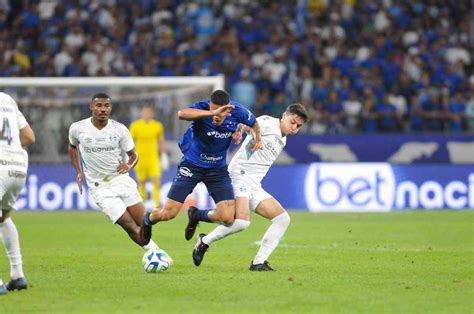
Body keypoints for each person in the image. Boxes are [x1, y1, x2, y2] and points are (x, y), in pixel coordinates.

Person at [192, 103, 308, 271]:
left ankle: (258, 262)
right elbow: (246, 122)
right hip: (239, 175)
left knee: (282, 219)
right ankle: (204, 241)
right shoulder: (268, 123)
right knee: (242, 222)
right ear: (284, 115)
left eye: (298, 126)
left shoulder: (283, 138)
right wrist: (239, 130)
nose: (294, 127)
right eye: (292, 122)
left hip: (253, 184)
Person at [140, 89, 262, 245]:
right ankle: (149, 219)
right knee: (168, 213)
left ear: (228, 108)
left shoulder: (237, 111)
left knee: (227, 218)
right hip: (191, 166)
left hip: (217, 170)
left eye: (220, 111)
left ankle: (196, 215)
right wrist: (212, 113)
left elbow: (254, 123)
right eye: (213, 109)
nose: (217, 115)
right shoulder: (202, 108)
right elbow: (182, 114)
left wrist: (257, 138)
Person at [68, 93, 164, 255]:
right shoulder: (78, 128)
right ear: (91, 107)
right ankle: (157, 253)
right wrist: (79, 172)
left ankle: (154, 249)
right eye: (99, 105)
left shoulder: (119, 129)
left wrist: (128, 165)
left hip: (121, 181)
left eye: (107, 106)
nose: (103, 109)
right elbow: (72, 147)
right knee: (128, 224)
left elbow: (134, 155)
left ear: (111, 108)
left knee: (143, 223)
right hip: (100, 188)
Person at [0, 92, 36, 293]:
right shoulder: (7, 99)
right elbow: (29, 137)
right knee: (4, 217)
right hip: (18, 167)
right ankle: (17, 275)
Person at [129, 106, 168, 207]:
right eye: (145, 112)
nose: (147, 114)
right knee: (141, 182)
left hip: (153, 158)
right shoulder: (135, 125)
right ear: (141, 114)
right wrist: (128, 155)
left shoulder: (157, 125)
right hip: (140, 158)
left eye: (149, 113)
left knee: (156, 180)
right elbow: (129, 141)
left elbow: (161, 141)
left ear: (152, 114)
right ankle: (142, 204)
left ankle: (156, 204)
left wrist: (163, 155)